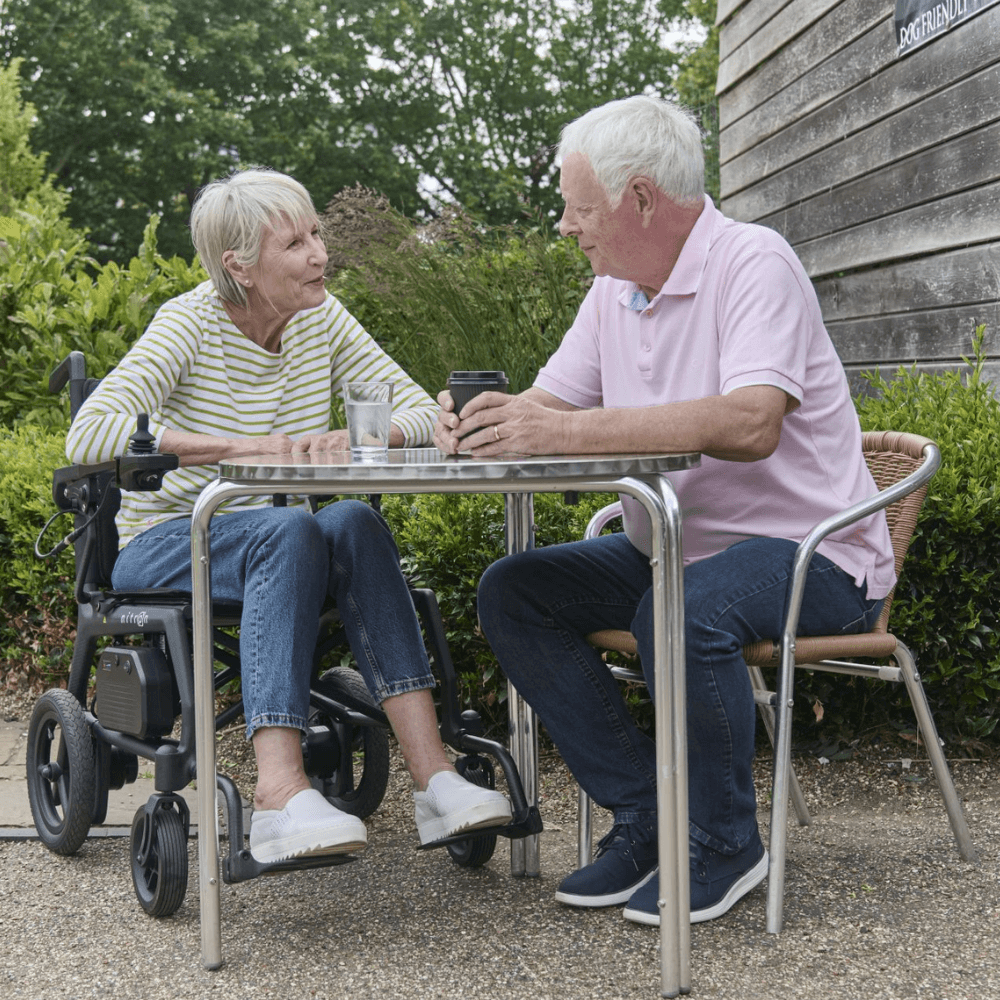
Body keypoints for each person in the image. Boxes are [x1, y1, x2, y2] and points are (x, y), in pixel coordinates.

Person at [434, 96, 895, 926]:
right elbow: (547, 406)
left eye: (578, 209)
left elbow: (753, 421)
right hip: (673, 552)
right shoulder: (614, 291)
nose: (567, 228)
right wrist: (483, 423)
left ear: (640, 199)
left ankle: (723, 842)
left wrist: (561, 427)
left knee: (676, 609)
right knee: (513, 590)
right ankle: (649, 815)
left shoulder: (754, 261)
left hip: (811, 556)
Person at [67, 167, 511, 865]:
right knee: (294, 527)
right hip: (168, 539)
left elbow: (422, 409)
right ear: (238, 267)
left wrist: (372, 436)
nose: (319, 254)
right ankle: (276, 796)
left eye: (317, 235)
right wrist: (243, 449)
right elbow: (90, 433)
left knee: (354, 524)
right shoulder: (188, 323)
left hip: (282, 538)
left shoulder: (322, 319)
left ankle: (437, 781)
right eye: (295, 243)